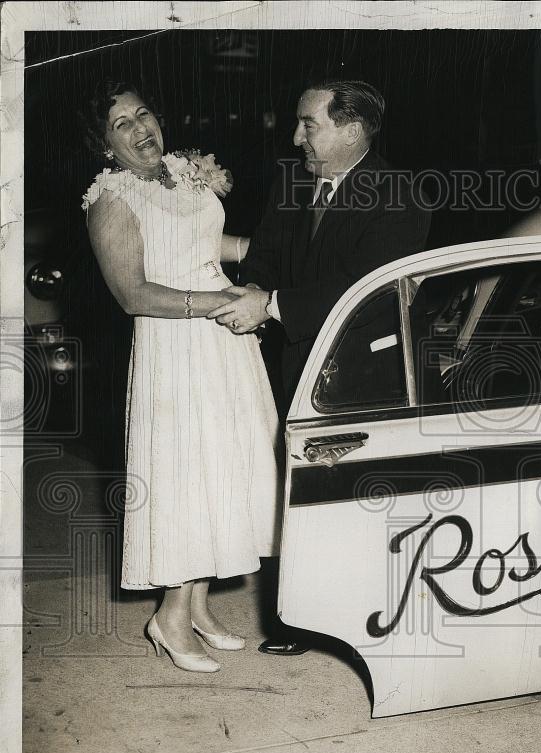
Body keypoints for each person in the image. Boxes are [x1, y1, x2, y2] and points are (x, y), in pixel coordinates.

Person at [208, 79, 431, 655]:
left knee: (352, 498)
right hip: (293, 361)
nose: (295, 135)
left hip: (361, 373)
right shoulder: (292, 184)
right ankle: (297, 618)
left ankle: (373, 620)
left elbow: (365, 290)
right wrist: (253, 289)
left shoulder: (398, 195)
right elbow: (263, 258)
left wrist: (273, 305)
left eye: (309, 124)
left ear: (353, 129)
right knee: (298, 492)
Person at [82, 79, 281, 672]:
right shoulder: (110, 199)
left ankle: (195, 606)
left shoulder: (182, 172)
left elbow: (201, 241)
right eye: (122, 124)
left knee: (225, 466)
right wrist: (216, 304)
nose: (141, 129)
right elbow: (131, 292)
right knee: (187, 475)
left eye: (144, 114)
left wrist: (269, 248)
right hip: (177, 346)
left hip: (225, 344)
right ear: (105, 144)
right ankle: (168, 617)